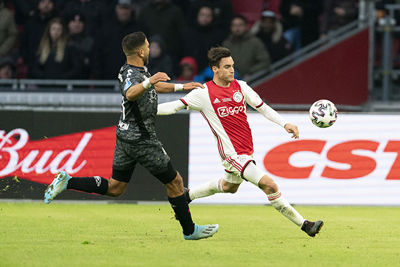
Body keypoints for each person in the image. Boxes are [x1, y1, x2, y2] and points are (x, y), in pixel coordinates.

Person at [44, 31, 219, 241]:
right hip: (142, 139)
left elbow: (152, 87)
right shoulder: (134, 76)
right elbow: (130, 92)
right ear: (141, 51)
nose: (149, 49)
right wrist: (148, 81)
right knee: (175, 182)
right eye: (147, 46)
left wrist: (183, 86)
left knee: (115, 188)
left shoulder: (134, 70)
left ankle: (68, 181)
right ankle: (189, 230)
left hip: (125, 136)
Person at [157, 46, 323, 237]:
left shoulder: (241, 87)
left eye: (232, 66)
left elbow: (263, 107)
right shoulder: (203, 93)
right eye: (226, 66)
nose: (231, 70)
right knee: (269, 185)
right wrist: (146, 111)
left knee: (230, 187)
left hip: (246, 152)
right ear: (215, 69)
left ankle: (186, 196)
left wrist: (285, 123)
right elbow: (174, 107)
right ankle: (305, 225)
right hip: (232, 155)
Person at [222, 14, 270, 79]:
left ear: (246, 26)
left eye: (240, 25)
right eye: (234, 25)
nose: (237, 28)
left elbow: (265, 62)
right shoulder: (226, 44)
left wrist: (250, 72)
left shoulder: (255, 42)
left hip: (253, 79)